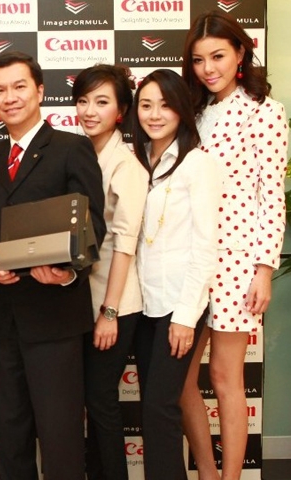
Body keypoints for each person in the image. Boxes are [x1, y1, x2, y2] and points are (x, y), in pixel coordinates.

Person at [0, 51, 105, 480]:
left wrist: (68, 271)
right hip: (4, 316)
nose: (9, 97)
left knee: (60, 436)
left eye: (19, 86)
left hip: (55, 316)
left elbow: (93, 222)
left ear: (40, 90)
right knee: (8, 435)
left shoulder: (71, 148)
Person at [179, 11, 289, 480]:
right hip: (189, 259)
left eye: (218, 56)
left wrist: (263, 269)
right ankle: (206, 471)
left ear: (241, 53)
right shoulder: (192, 112)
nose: (208, 68)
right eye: (199, 59)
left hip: (237, 261)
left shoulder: (266, 112)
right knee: (180, 381)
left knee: (226, 378)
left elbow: (271, 196)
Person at [130, 69, 221, 480]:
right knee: (153, 408)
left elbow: (205, 246)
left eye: (165, 105)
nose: (154, 114)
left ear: (182, 110)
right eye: (146, 105)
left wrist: (185, 316)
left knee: (160, 408)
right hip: (144, 304)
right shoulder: (138, 160)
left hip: (178, 305)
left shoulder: (198, 164)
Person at [73, 64, 148, 480]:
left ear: (121, 111)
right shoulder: (79, 153)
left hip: (115, 302)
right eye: (83, 101)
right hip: (80, 300)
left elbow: (125, 243)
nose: (89, 110)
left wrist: (110, 312)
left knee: (101, 400)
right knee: (88, 400)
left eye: (101, 102)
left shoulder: (126, 165)